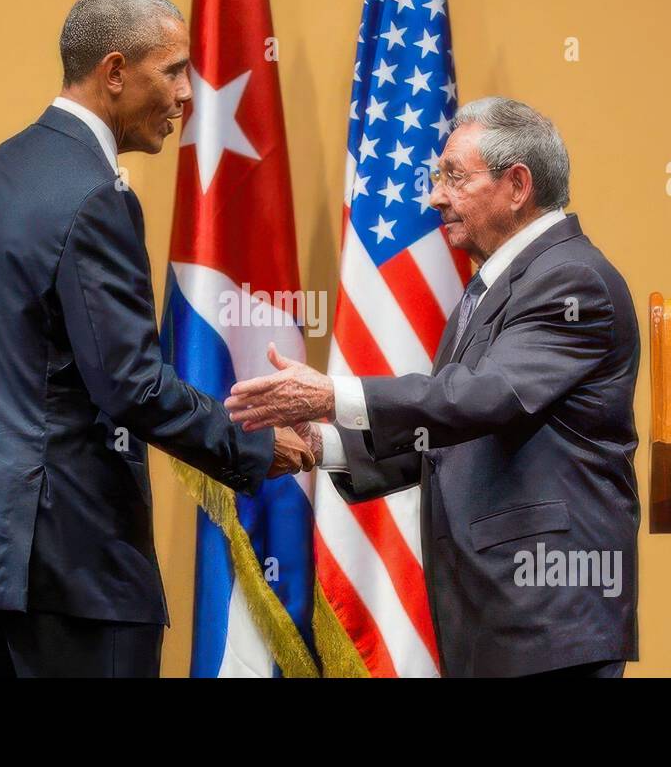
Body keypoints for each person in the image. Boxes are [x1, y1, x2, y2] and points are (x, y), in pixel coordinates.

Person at [0, 0, 313, 678]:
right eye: (174, 70)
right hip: (78, 563)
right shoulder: (98, 195)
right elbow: (129, 382)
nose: (190, 93)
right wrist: (250, 446)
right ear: (116, 72)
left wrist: (13, 449)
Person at [225, 97, 640, 677]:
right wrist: (327, 446)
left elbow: (484, 396)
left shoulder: (573, 281)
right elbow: (451, 430)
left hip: (548, 612)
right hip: (498, 617)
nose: (435, 196)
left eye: (454, 177)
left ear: (517, 184)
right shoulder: (495, 285)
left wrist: (333, 395)